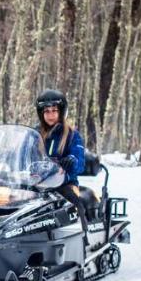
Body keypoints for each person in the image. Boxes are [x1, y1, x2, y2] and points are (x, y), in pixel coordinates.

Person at [35, 89, 99, 231]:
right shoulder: (34, 134)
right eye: (47, 111)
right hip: (36, 183)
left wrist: (72, 160)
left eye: (54, 111)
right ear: (41, 113)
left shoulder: (71, 135)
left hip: (64, 183)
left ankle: (83, 238)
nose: (50, 115)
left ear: (61, 112)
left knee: (75, 204)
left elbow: (79, 159)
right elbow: (23, 155)